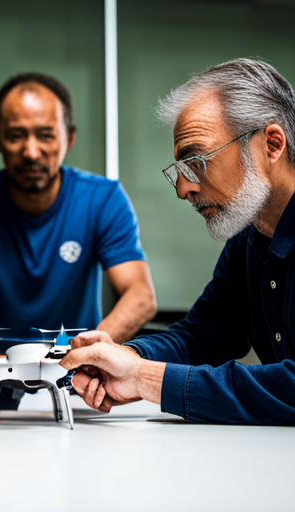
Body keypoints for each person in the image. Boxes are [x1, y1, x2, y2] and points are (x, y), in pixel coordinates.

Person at [60, 58, 295, 425]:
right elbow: (203, 337)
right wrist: (124, 356)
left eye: (198, 161)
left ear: (272, 144)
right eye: (180, 172)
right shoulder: (248, 241)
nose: (184, 188)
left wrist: (144, 377)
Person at [0, 72, 157, 353]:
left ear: (69, 138)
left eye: (46, 135)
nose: (31, 152)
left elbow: (141, 296)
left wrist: (86, 353)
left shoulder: (103, 200)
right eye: (16, 136)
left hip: (77, 375)